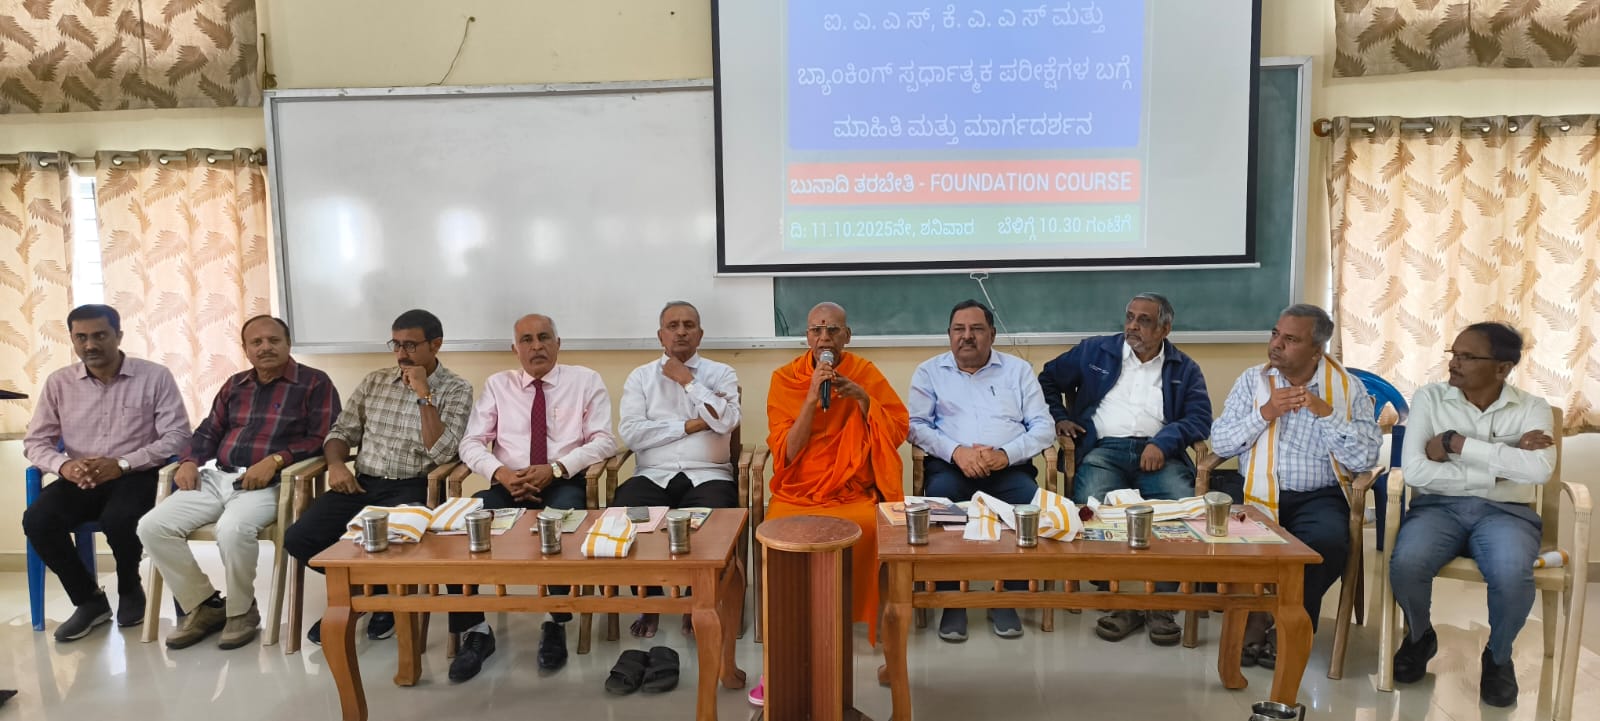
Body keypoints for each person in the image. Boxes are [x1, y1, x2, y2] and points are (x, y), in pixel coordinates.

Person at [136, 315, 340, 650]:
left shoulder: (315, 383)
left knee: (231, 530)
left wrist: (276, 460)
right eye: (256, 342)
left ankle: (242, 610)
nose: (265, 347)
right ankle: (204, 605)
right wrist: (189, 460)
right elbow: (209, 430)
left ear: (288, 344)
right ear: (245, 349)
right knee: (151, 526)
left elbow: (323, 437)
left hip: (272, 483)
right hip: (219, 477)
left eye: (273, 340)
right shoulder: (235, 385)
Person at [750, 301, 908, 706]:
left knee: (870, 529)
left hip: (851, 491)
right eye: (816, 330)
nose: (824, 338)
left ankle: (860, 636)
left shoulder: (865, 373)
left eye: (833, 331)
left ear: (847, 336)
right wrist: (809, 400)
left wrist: (863, 400)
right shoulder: (785, 379)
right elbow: (787, 452)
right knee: (780, 539)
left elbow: (897, 430)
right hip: (798, 492)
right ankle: (783, 649)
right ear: (806, 337)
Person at [282, 309, 473, 645]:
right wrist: (336, 465)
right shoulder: (374, 381)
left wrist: (424, 395)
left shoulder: (457, 388)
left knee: (395, 547)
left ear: (436, 345)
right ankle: (367, 592)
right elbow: (342, 431)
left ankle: (371, 598)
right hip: (361, 483)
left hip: (413, 487)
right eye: (396, 344)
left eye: (410, 345)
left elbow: (443, 453)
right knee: (300, 538)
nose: (401, 353)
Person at [1389, 322, 1555, 707]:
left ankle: (1498, 657)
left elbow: (1539, 471)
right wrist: (1505, 459)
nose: (1454, 363)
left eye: (1467, 357)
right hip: (1437, 508)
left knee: (1512, 573)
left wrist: (1455, 444)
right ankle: (1419, 637)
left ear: (1502, 368)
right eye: (1453, 354)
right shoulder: (1430, 398)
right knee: (1408, 562)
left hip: (1506, 514)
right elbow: (1415, 472)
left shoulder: (1533, 408)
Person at [449, 313, 618, 682]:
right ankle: (476, 630)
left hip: (563, 482)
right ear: (515, 349)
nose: (536, 346)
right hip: (508, 484)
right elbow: (471, 442)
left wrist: (555, 469)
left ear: (558, 344)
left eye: (544, 337)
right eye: (527, 340)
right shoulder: (498, 385)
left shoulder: (585, 380)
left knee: (559, 522)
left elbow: (604, 440)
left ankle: (555, 620)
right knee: (461, 528)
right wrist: (501, 473)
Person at [1037, 292, 1212, 646]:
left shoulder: (1184, 367)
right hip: (1103, 451)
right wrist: (1060, 418)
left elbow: (1200, 417)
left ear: (1165, 328)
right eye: (1129, 317)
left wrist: (1163, 442)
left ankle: (1159, 603)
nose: (1132, 326)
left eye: (1144, 320)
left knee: (1183, 508)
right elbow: (1047, 380)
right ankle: (1120, 596)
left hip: (1159, 455)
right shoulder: (1096, 351)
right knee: (1094, 507)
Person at [1210, 303, 1380, 668]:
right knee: (1229, 540)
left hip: (1318, 496)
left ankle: (1287, 625)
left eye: (1290, 339)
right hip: (1254, 492)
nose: (1276, 344)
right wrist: (1265, 413)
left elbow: (1364, 459)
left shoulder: (1348, 389)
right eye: (1275, 334)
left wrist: (1326, 413)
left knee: (1325, 544)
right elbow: (1220, 443)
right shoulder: (1252, 381)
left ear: (1317, 351)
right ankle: (1256, 616)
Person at [23, 304, 190, 642]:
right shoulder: (59, 383)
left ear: (118, 335)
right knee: (37, 520)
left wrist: (123, 463)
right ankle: (89, 601)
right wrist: (64, 466)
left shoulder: (154, 377)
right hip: (80, 477)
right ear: (72, 339)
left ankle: (129, 587)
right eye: (81, 337)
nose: (90, 345)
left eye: (100, 335)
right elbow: (36, 442)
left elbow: (177, 436)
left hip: (137, 474)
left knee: (121, 518)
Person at [908, 299, 1053, 642]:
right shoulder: (929, 372)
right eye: (959, 329)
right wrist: (956, 452)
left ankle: (1006, 597)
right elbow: (915, 426)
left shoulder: (1018, 371)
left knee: (1030, 509)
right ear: (949, 334)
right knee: (942, 507)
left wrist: (1005, 454)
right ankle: (952, 600)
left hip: (1008, 468)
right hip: (950, 467)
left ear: (992, 334)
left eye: (976, 329)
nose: (967, 336)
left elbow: (1044, 427)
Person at [614, 301, 741, 640]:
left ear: (700, 334)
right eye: (673, 326)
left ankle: (695, 600)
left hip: (709, 474)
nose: (681, 332)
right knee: (628, 513)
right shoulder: (641, 377)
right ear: (661, 335)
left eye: (688, 325)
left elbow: (726, 421)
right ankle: (651, 600)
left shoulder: (721, 373)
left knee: (714, 522)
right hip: (652, 474)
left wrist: (689, 382)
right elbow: (632, 433)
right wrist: (691, 425)